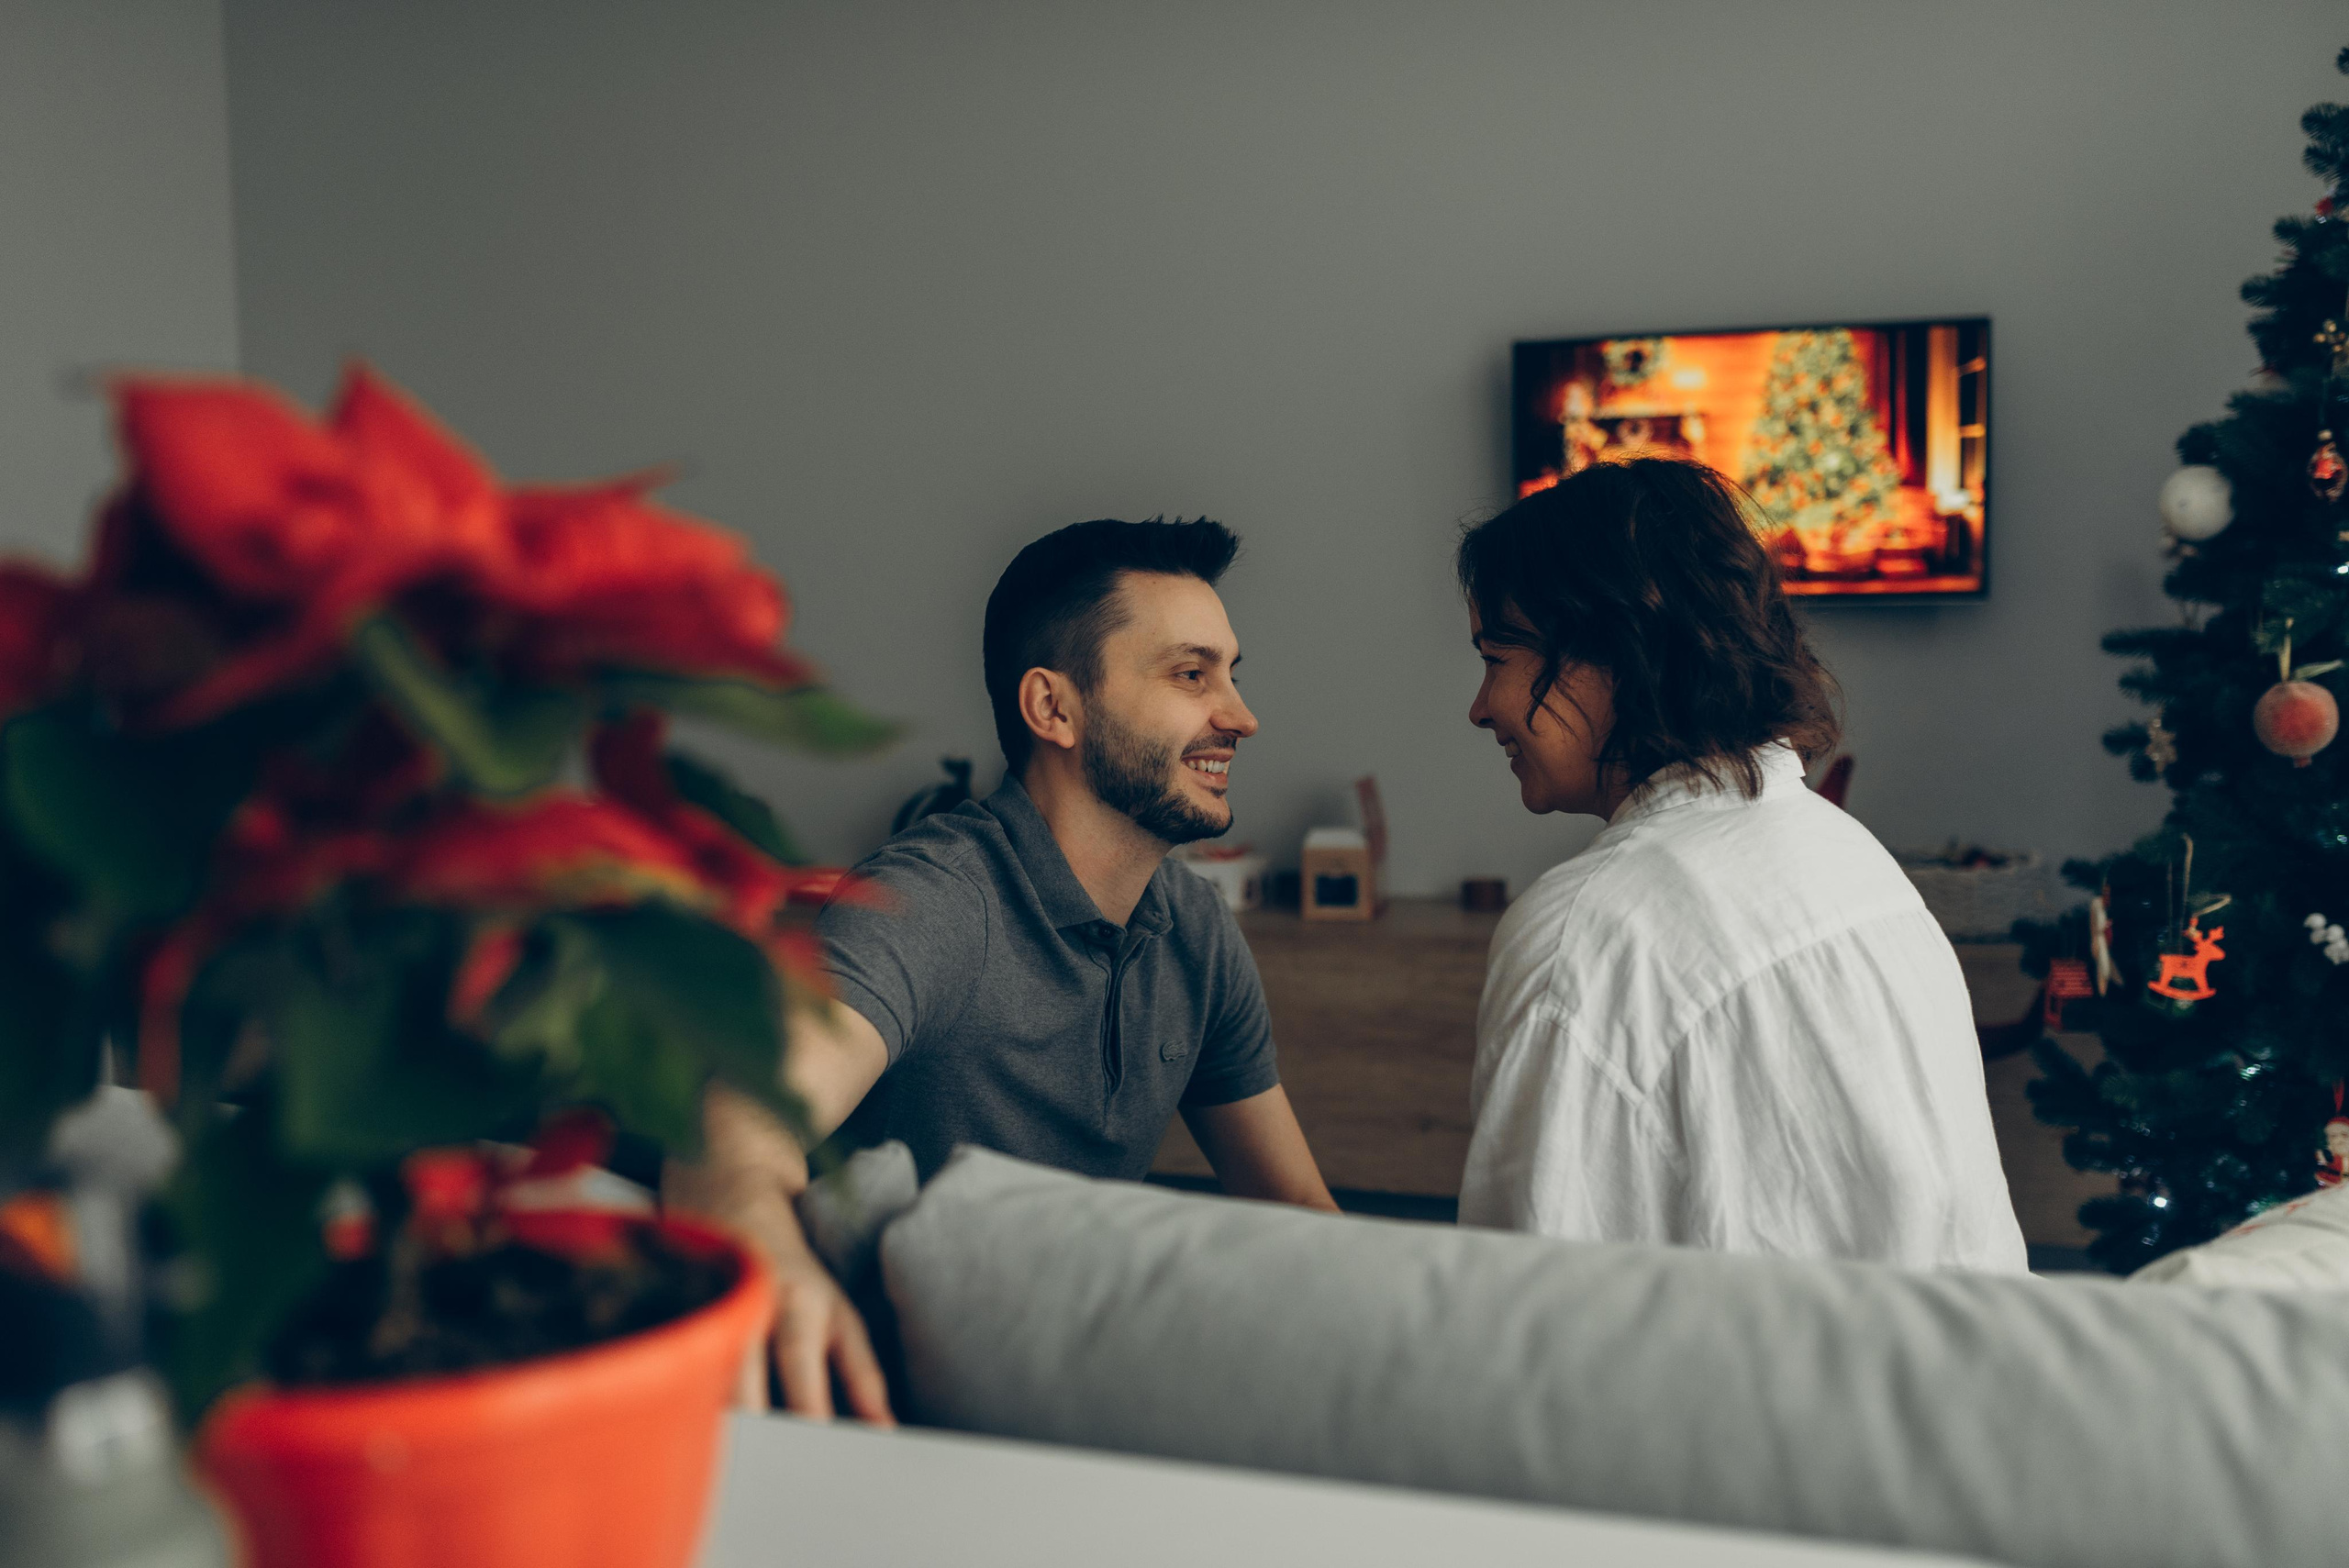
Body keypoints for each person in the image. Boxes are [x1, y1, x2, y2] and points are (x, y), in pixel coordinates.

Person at [667, 517, 1339, 1423]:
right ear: (1052, 708)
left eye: (1230, 672)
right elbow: (738, 1120)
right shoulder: (933, 900)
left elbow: (1293, 1203)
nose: (1240, 714)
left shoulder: (1193, 927)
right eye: (1191, 674)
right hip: (873, 1413)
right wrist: (771, 1253)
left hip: (1051, 1383)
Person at [1453, 458, 2026, 1272]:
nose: (1480, 707)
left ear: (1607, 650)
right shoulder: (1849, 857)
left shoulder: (1588, 931)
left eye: (1495, 658)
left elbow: (1537, 1306)